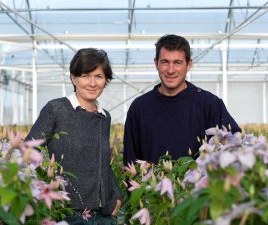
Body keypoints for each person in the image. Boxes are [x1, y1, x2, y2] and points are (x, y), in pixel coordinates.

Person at [25, 48, 122, 224]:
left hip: (104, 216)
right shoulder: (57, 109)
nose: (92, 83)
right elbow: (27, 151)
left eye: (99, 76)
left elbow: (103, 163)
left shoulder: (104, 116)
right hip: (68, 214)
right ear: (73, 78)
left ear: (106, 80)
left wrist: (116, 195)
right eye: (85, 75)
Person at [123, 34, 241, 165]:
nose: (171, 70)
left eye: (177, 62)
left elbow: (234, 144)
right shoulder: (140, 107)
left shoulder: (209, 104)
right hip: (150, 185)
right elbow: (130, 161)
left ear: (189, 64)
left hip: (199, 185)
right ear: (156, 63)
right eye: (165, 62)